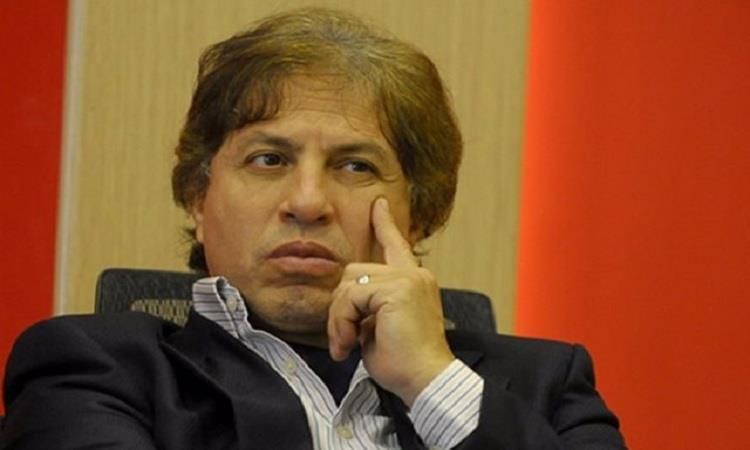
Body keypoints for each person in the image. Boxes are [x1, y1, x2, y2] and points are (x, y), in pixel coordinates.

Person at [1, 7, 625, 449]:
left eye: (355, 166)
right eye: (268, 160)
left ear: (422, 212)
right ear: (197, 197)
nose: (307, 202)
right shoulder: (91, 371)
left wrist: (433, 382)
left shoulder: (549, 387)